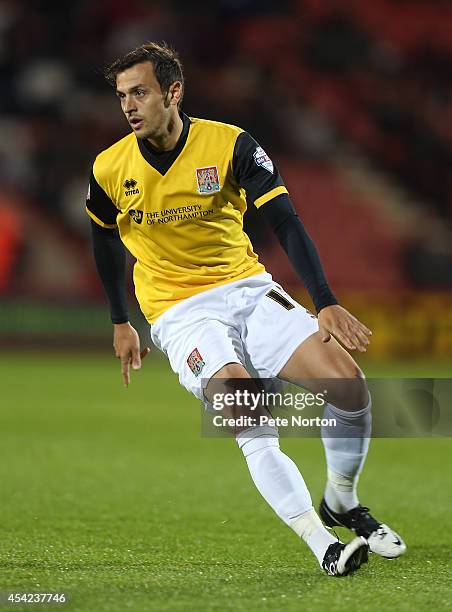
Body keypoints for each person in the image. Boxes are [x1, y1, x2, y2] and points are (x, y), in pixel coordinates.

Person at [86, 42, 406, 577]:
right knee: (247, 412)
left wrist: (324, 301)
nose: (129, 106)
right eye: (122, 96)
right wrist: (120, 319)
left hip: (247, 289)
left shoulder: (230, 145)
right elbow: (102, 241)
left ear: (173, 91)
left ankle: (343, 500)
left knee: (349, 388)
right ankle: (321, 542)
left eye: (139, 92)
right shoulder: (109, 168)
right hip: (178, 311)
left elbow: (285, 220)